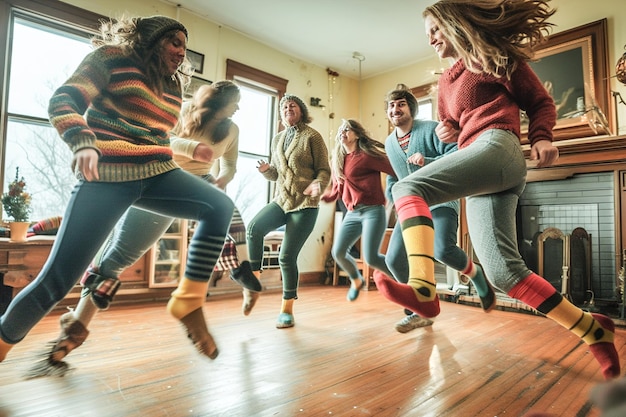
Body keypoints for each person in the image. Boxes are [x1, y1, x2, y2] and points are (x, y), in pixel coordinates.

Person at [373, 0, 620, 380]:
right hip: (479, 163)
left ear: (455, 23)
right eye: (427, 36)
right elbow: (454, 129)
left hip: (499, 148)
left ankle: (424, 289)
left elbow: (539, 102)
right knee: (505, 273)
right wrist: (449, 133)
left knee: (407, 188)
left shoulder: (495, 57)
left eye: (436, 30)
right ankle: (593, 328)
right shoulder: (444, 83)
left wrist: (541, 137)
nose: (432, 39)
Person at [0, 15, 235, 363]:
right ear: (152, 40)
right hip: (108, 174)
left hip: (158, 172)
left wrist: (187, 150)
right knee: (56, 281)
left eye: (185, 46)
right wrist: (83, 142)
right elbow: (64, 100)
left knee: (219, 206)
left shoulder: (172, 86)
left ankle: (188, 301)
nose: (181, 52)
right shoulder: (112, 58)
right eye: (174, 43)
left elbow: (161, 136)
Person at [30, 80, 262, 373]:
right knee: (119, 257)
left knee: (230, 214)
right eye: (234, 102)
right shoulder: (184, 111)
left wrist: (222, 180)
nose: (238, 108)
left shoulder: (231, 130)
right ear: (217, 101)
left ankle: (243, 273)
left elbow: (229, 163)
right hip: (162, 178)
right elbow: (161, 141)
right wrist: (193, 148)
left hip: (201, 181)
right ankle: (76, 328)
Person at [383, 84, 495, 333]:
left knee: (442, 250)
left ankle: (476, 275)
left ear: (411, 108)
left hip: (442, 198)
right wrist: (391, 196)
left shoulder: (431, 129)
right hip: (411, 204)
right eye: (391, 105)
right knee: (393, 258)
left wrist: (428, 161)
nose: (395, 109)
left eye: (400, 104)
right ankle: (419, 308)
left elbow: (459, 153)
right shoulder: (389, 144)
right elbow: (394, 176)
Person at [247, 94, 330, 328]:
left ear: (301, 110)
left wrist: (318, 185)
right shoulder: (277, 139)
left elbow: (324, 170)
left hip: (304, 205)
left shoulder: (312, 136)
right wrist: (266, 170)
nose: (287, 108)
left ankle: (287, 310)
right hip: (282, 200)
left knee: (286, 257)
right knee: (254, 228)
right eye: (283, 106)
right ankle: (254, 279)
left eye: (292, 105)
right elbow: (278, 174)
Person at [321, 118, 396, 302]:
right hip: (353, 214)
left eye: (347, 129)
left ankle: (402, 282)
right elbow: (337, 190)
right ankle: (356, 279)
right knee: (337, 252)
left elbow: (395, 168)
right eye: (341, 130)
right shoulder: (337, 160)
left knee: (371, 258)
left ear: (357, 135)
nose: (342, 133)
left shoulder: (367, 156)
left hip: (373, 211)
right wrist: (323, 197)